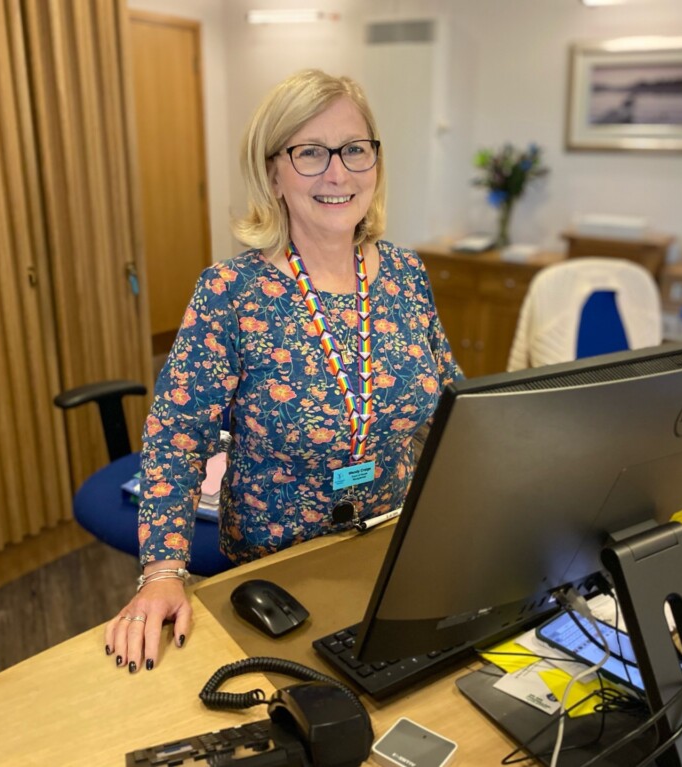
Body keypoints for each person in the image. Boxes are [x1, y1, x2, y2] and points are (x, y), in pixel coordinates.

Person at [105, 69, 461, 673]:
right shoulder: (233, 291)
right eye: (310, 153)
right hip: (277, 572)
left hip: (391, 547)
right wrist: (163, 571)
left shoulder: (405, 274)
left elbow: (453, 406)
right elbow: (176, 438)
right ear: (272, 171)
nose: (338, 173)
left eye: (354, 149)